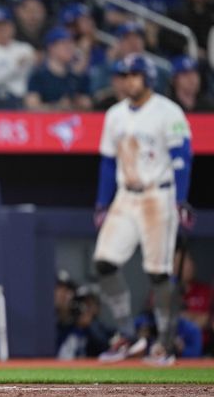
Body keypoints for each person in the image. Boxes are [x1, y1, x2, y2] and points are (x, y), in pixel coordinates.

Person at [92, 53, 193, 365]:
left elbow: (182, 157)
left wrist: (181, 199)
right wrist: (102, 202)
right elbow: (108, 163)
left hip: (157, 195)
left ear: (147, 77)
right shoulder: (115, 115)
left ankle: (164, 343)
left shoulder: (168, 111)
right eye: (124, 74)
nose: (128, 80)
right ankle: (126, 335)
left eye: (134, 74)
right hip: (126, 194)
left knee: (158, 272)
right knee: (104, 263)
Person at [25, 27, 92, 111]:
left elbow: (87, 104)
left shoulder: (76, 77)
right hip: (46, 122)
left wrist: (79, 103)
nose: (70, 47)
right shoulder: (38, 76)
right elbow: (32, 107)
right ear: (51, 47)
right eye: (64, 43)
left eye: (71, 43)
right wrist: (58, 107)